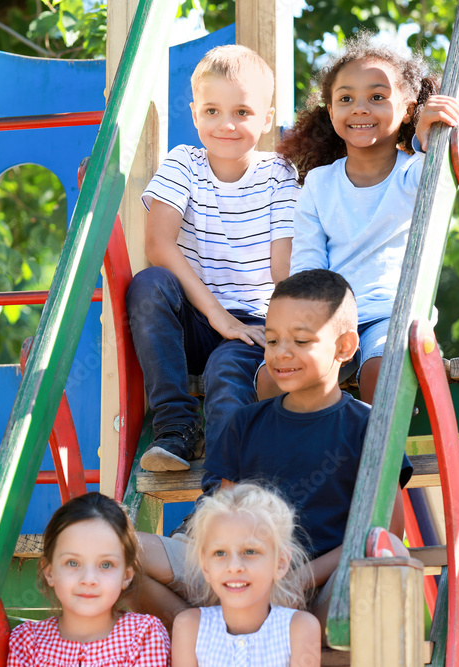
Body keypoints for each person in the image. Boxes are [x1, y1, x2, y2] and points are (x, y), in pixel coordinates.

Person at [134, 270, 412, 636]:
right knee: (120, 550)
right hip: (239, 573)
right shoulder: (244, 422)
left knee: (389, 554)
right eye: (272, 339)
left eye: (300, 340)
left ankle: (299, 648)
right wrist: (250, 577)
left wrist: (297, 579)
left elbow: (385, 532)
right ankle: (206, 637)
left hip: (320, 586)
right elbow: (225, 517)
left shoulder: (370, 426)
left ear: (344, 346)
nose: (281, 353)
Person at [126, 44, 299, 489]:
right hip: (200, 320)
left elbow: (284, 265)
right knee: (148, 285)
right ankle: (176, 425)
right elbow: (158, 245)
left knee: (227, 373)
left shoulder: (280, 173)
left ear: (265, 118)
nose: (226, 124)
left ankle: (219, 495)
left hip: (251, 325)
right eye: (212, 110)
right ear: (195, 113)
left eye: (242, 111)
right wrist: (215, 316)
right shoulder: (184, 162)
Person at [258, 33, 459, 403]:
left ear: (407, 109)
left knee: (378, 371)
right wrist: (308, 327)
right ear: (331, 112)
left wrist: (428, 140)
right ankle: (286, 458)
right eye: (346, 98)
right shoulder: (320, 183)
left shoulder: (415, 173)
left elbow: (447, 179)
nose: (360, 108)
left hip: (391, 315)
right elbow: (308, 264)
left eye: (378, 97)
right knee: (273, 379)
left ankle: (375, 459)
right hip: (328, 313)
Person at [7, 492, 170, 667]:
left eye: (106, 564)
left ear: (127, 575)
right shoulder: (27, 642)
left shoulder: (144, 635)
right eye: (72, 562)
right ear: (49, 572)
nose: (89, 579)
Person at [170, 483, 321, 667]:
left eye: (250, 551)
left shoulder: (299, 629)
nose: (234, 567)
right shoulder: (190, 628)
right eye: (219, 553)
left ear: (280, 563)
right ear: (205, 565)